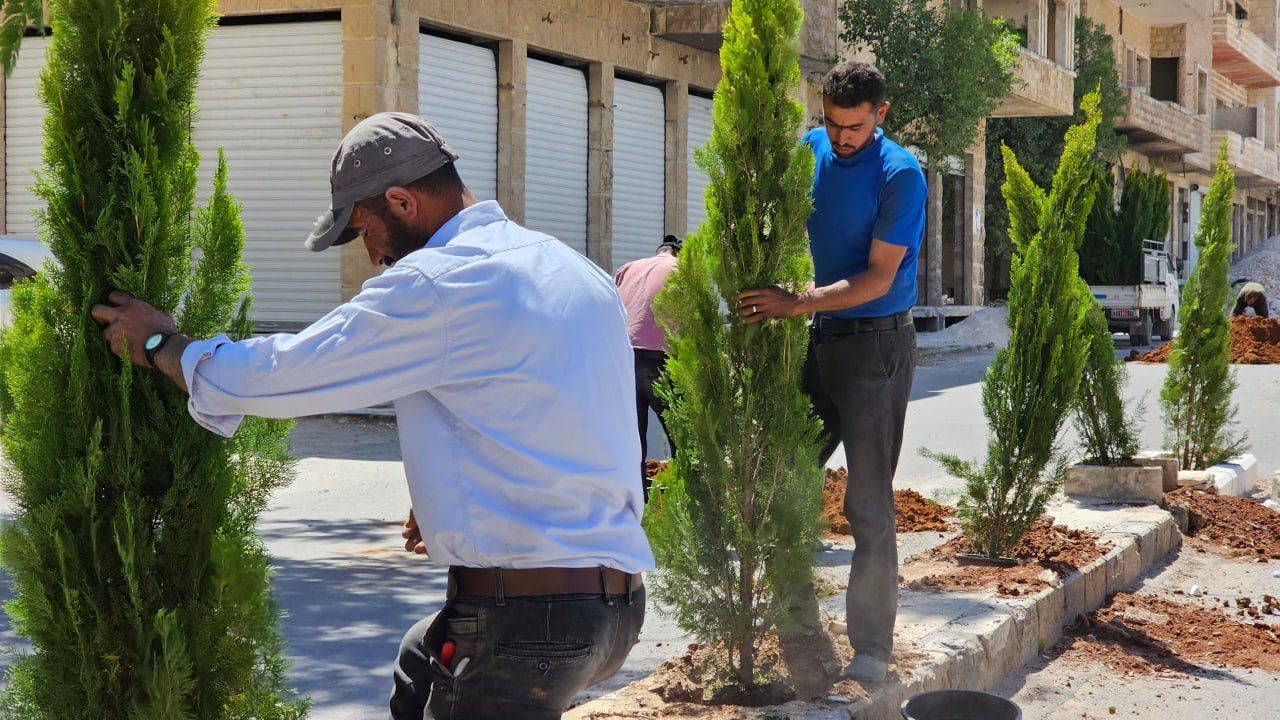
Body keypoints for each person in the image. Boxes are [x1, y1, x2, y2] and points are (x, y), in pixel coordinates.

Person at [90, 112, 653, 720]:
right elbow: (573, 416)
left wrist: (165, 346)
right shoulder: (572, 268)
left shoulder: (437, 284)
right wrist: (453, 495)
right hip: (614, 610)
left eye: (364, 230)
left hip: (528, 621)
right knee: (419, 662)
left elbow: (287, 372)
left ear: (402, 202)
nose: (372, 254)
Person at [736, 61, 926, 683]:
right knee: (786, 480)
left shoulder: (900, 174)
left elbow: (878, 278)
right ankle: (800, 633)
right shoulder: (812, 148)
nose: (841, 138)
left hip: (877, 347)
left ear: (881, 115)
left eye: (855, 127)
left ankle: (871, 649)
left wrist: (797, 302)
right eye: (833, 123)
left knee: (867, 499)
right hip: (821, 339)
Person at [614, 235, 681, 497]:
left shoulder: (627, 269)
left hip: (624, 360)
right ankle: (684, 501)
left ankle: (636, 505)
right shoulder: (680, 269)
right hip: (660, 359)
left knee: (632, 443)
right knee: (683, 439)